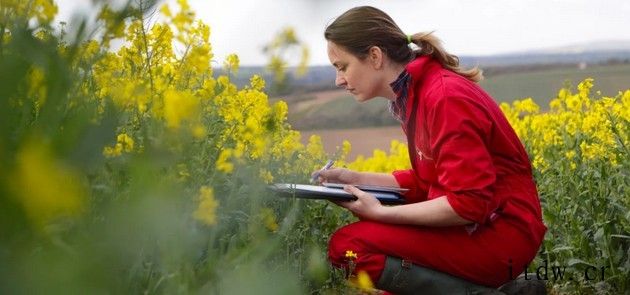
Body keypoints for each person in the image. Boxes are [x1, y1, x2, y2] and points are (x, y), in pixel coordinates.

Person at [315, 6, 547, 294]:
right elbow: (430, 182)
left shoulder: (444, 97)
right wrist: (356, 179)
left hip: (501, 236)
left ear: (375, 56)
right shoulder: (415, 94)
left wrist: (380, 213)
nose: (339, 80)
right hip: (482, 227)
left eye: (342, 66)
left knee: (348, 247)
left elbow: (468, 203)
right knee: (394, 277)